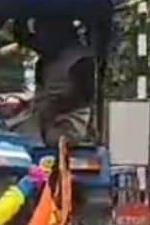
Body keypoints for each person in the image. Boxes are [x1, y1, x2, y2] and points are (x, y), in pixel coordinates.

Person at [23, 17, 97, 145]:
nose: (39, 39)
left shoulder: (80, 59)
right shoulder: (45, 59)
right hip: (43, 118)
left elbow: (84, 97)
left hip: (70, 120)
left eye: (42, 33)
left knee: (53, 139)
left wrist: (52, 104)